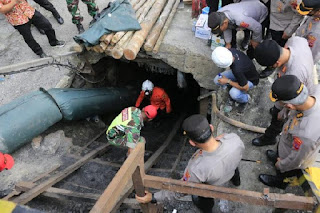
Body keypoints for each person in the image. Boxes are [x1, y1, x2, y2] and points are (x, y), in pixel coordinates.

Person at [135, 114, 244, 213]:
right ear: (211, 128)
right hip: (232, 168)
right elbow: (222, 138)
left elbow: (181, 189)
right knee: (233, 169)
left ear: (191, 142)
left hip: (213, 185)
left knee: (202, 197)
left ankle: (207, 209)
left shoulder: (197, 169)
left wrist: (153, 197)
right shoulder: (234, 139)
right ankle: (236, 181)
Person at [259, 75, 320, 189]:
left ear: (290, 105)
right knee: (280, 151)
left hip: (292, 157)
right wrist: (283, 113)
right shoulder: (316, 91)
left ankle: (279, 182)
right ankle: (278, 157)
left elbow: (296, 159)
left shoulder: (306, 134)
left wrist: (281, 164)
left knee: (286, 173)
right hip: (287, 141)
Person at [252, 38, 315, 146]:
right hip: (289, 89)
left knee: (278, 118)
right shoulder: (295, 41)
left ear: (277, 63)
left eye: (271, 66)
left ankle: (269, 138)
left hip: (295, 97)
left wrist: (283, 112)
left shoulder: (295, 73)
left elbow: (290, 100)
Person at [0, 0, 65, 58]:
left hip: (29, 11)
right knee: (29, 38)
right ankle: (40, 52)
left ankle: (53, 42)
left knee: (47, 25)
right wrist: (14, 2)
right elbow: (2, 10)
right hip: (17, 20)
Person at [259, 0, 304, 78]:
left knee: (278, 47)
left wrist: (289, 31)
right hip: (269, 12)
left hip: (281, 24)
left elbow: (299, 15)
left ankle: (272, 66)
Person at [212, 46, 259, 113]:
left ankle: (246, 98)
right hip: (241, 74)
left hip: (250, 80)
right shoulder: (231, 51)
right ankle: (228, 87)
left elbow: (245, 87)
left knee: (233, 93)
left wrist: (228, 81)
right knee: (217, 79)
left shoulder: (237, 69)